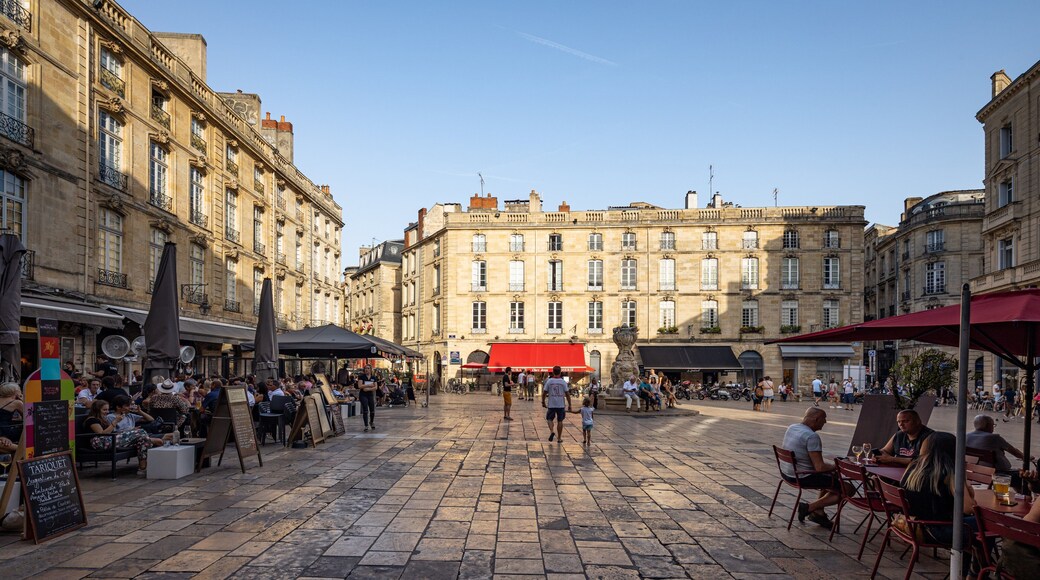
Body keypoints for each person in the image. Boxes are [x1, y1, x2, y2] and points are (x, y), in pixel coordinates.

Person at [900, 432, 979, 578]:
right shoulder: (951, 473)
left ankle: (970, 569)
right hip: (937, 530)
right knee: (983, 525)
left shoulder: (914, 468)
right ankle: (976, 572)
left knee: (973, 527)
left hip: (914, 525)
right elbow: (969, 508)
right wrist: (967, 484)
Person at [780, 408, 840, 528]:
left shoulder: (792, 427)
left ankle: (818, 512)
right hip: (803, 476)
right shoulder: (812, 436)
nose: (825, 422)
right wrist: (838, 466)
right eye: (824, 419)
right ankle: (810, 508)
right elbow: (820, 467)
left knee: (832, 476)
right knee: (847, 489)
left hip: (788, 473)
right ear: (816, 419)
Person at [84, 399, 163, 474]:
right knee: (141, 433)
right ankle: (144, 463)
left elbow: (113, 432)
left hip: (111, 438)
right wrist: (115, 422)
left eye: (107, 410)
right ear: (97, 410)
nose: (107, 412)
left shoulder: (103, 419)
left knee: (143, 439)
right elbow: (102, 433)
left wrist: (127, 431)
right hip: (101, 442)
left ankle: (142, 468)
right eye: (104, 410)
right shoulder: (92, 420)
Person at [541, 366, 572, 443]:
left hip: (551, 404)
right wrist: (570, 404)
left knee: (549, 419)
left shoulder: (549, 381)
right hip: (560, 404)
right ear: (560, 372)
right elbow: (567, 394)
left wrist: (543, 401)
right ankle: (559, 438)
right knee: (560, 421)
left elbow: (544, 392)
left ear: (553, 372)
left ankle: (552, 431)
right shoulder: (562, 382)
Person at [357, 365, 378, 432]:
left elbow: (375, 387)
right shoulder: (361, 377)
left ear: (371, 369)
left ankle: (371, 422)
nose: (367, 370)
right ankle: (366, 425)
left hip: (370, 394)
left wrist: (368, 389)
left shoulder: (373, 377)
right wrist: (369, 385)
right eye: (365, 368)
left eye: (368, 368)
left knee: (372, 410)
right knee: (365, 410)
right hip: (363, 395)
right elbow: (360, 386)